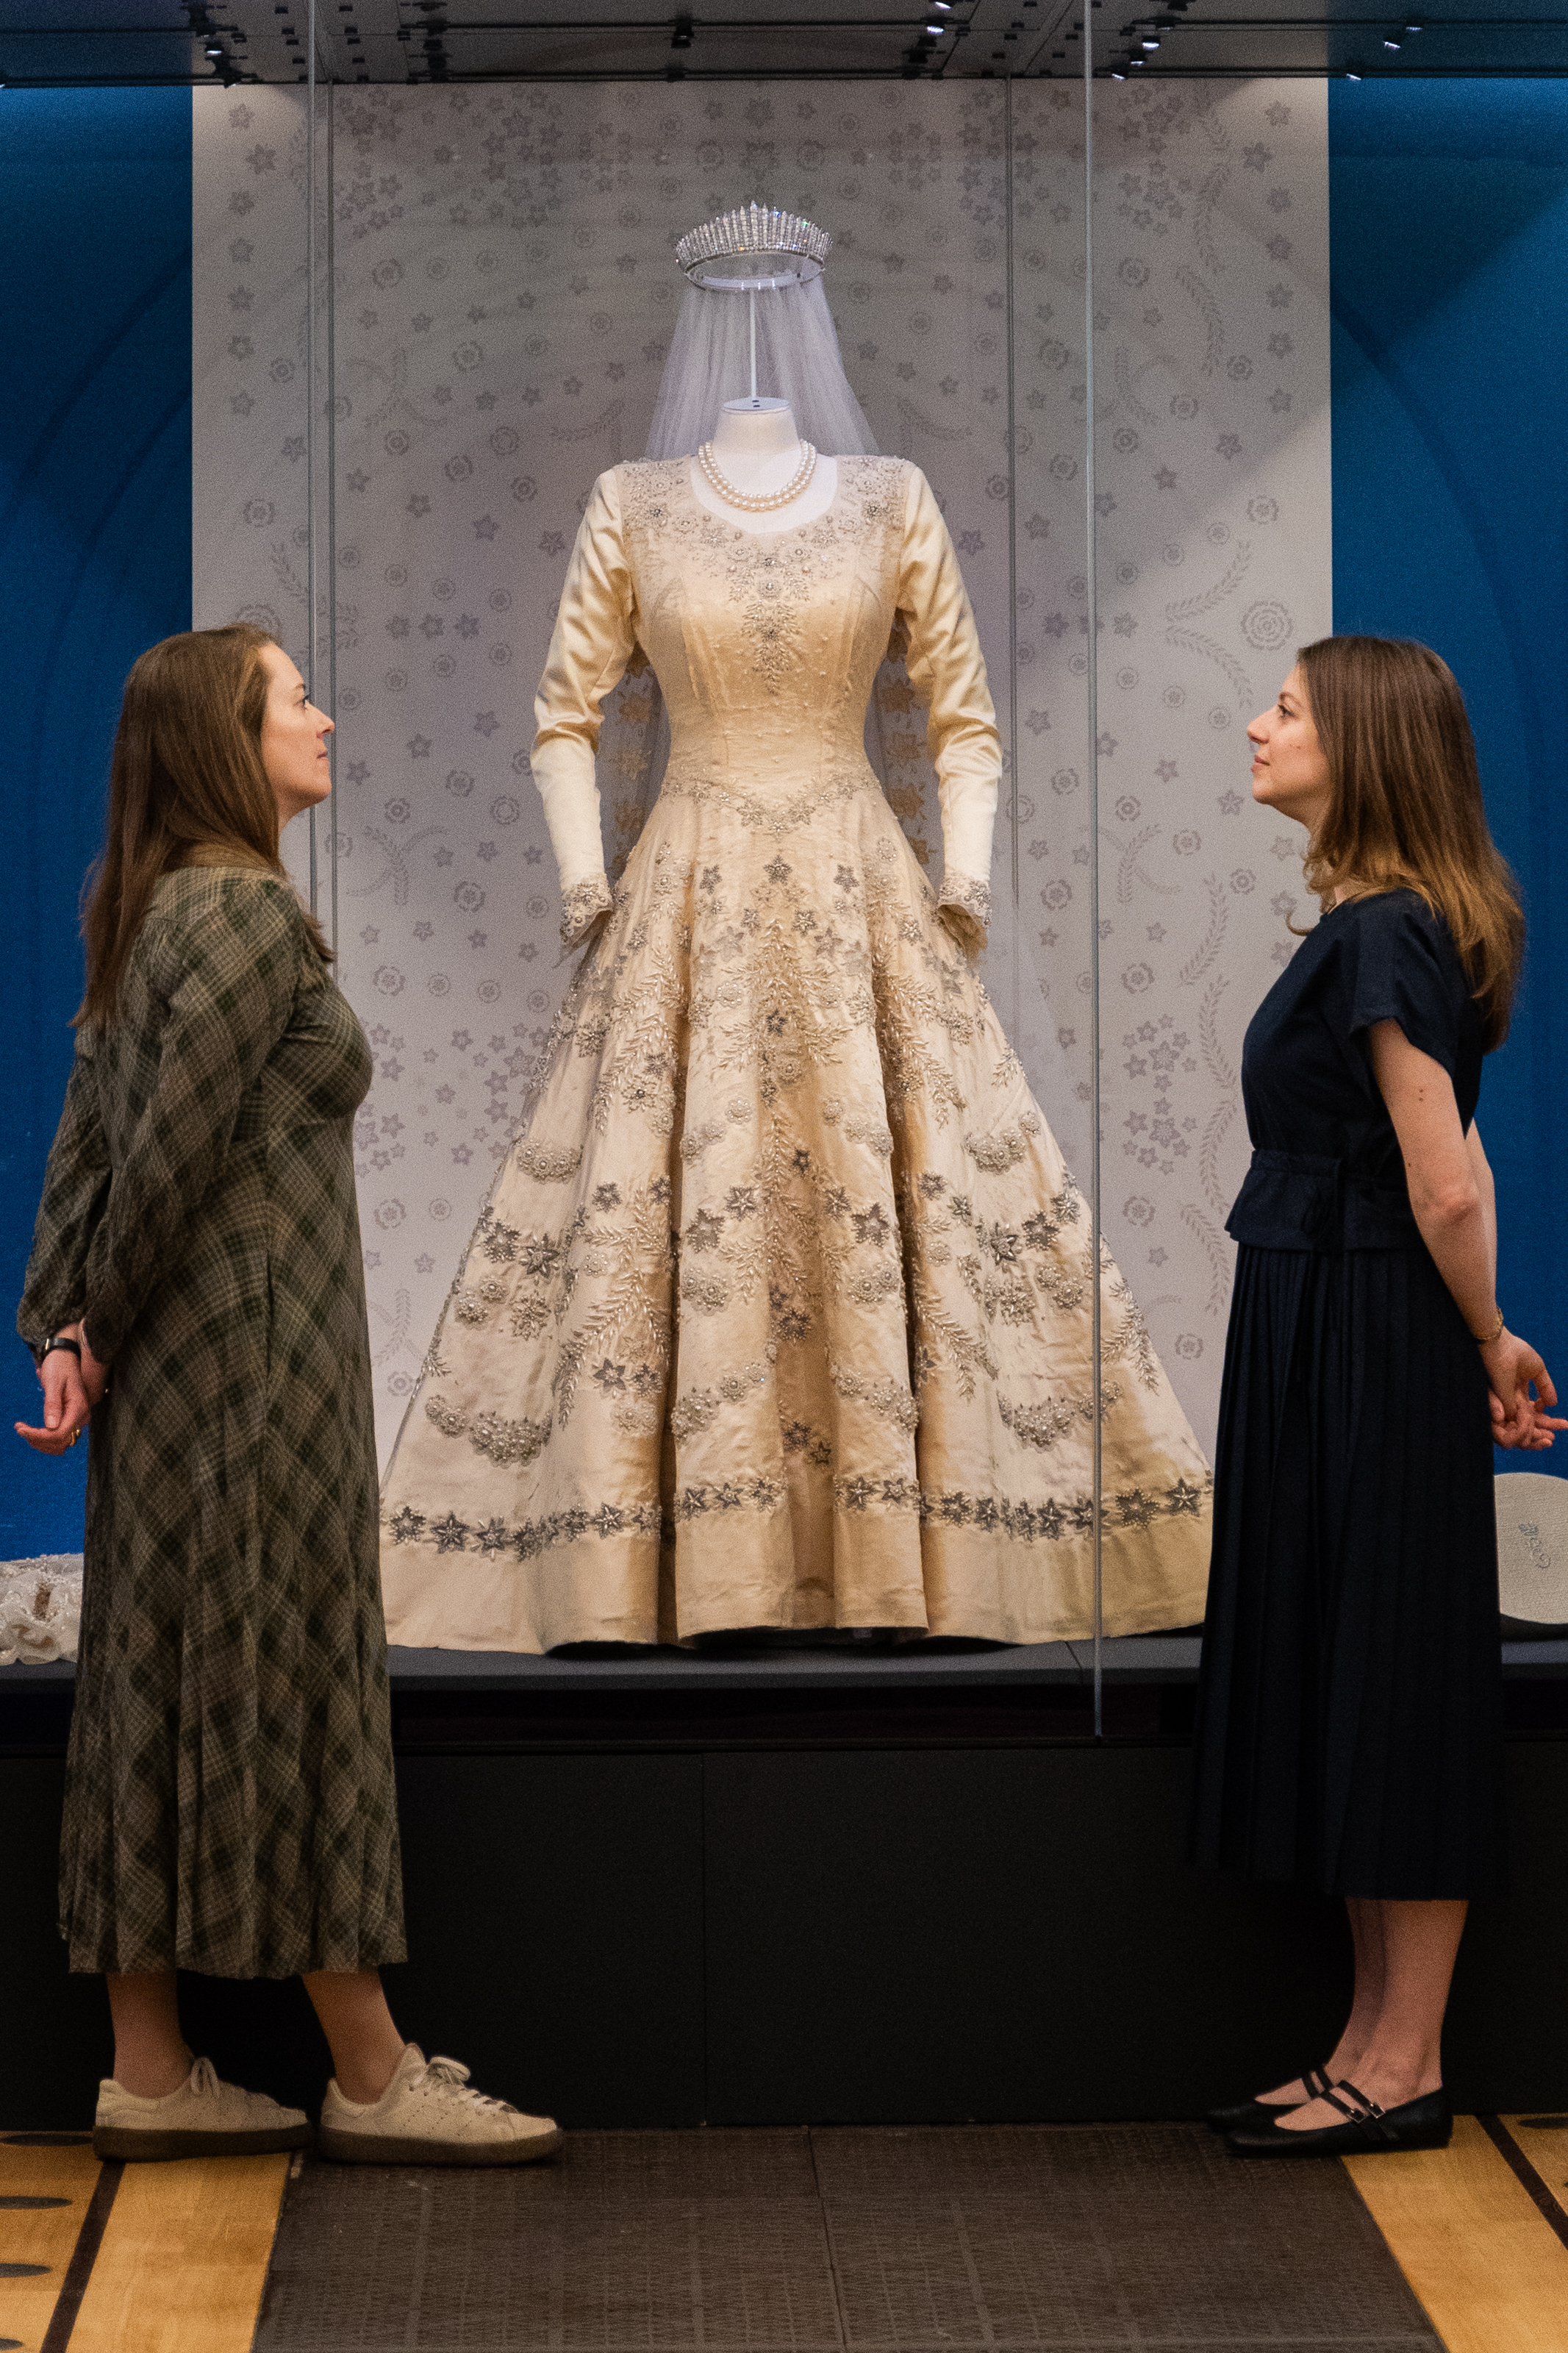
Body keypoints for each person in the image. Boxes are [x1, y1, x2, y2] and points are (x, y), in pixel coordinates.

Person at [17, 625, 559, 2166]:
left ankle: (149, 2063)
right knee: (297, 1677)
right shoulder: (245, 918)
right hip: (260, 1365)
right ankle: (373, 2070)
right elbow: (168, 1152)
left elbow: (88, 1137)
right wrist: (95, 1322)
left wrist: (65, 1321)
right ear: (224, 738)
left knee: (153, 1676)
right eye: (294, 697)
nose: (322, 714)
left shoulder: (144, 911)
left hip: (188, 1368)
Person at [1190, 635, 1561, 2157]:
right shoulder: (1362, 924)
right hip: (1324, 1318)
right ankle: (1361, 2042)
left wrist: (1483, 1340)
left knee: (1393, 1681)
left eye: (1284, 707)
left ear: (1360, 742)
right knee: (1349, 1670)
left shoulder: (1385, 931)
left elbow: (1445, 1177)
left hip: (1369, 1330)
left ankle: (1401, 2062)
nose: (1259, 725)